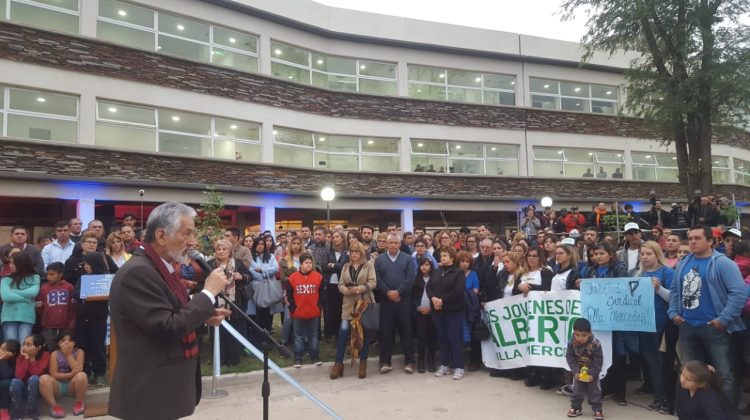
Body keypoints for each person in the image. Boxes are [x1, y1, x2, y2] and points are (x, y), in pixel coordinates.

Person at [108, 202, 231, 420]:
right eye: (187, 233)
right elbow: (165, 327)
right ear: (161, 236)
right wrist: (208, 293)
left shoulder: (161, 266)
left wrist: (204, 316)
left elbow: (171, 311)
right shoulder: (137, 272)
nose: (193, 242)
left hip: (163, 388)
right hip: (149, 391)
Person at [668, 225, 746, 407]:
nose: (693, 241)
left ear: (710, 241)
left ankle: (726, 413)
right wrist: (673, 313)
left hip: (715, 328)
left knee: (724, 375)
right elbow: (674, 291)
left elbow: (738, 293)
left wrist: (724, 319)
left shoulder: (724, 263)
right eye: (690, 238)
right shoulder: (684, 262)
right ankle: (694, 412)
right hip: (687, 327)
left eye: (697, 238)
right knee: (689, 375)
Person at [585, 242, 630, 406]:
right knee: (600, 353)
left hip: (615, 317)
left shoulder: (619, 268)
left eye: (601, 253)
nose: (597, 257)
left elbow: (621, 286)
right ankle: (605, 387)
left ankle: (620, 392)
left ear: (610, 254)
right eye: (595, 254)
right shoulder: (591, 270)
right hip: (597, 319)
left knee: (618, 353)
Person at [636, 241, 674, 413]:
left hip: (661, 324)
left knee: (661, 362)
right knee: (650, 361)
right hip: (644, 324)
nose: (644, 257)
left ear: (657, 254)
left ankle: (665, 397)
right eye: (642, 254)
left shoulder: (667, 272)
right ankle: (658, 395)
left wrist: (659, 288)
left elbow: (673, 298)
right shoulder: (638, 274)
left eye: (648, 254)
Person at [331, 241, 376, 379]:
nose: (354, 254)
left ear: (362, 253)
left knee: (364, 334)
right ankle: (338, 363)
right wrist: (346, 290)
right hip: (349, 304)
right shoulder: (345, 266)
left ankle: (363, 362)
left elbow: (373, 282)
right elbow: (340, 284)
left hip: (364, 302)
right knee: (344, 331)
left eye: (357, 252)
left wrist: (360, 288)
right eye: (352, 252)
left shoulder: (369, 265)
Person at [73, 252, 117, 386]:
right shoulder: (83, 278)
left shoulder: (105, 279)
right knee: (83, 346)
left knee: (98, 346)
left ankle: (100, 373)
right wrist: (85, 292)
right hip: (82, 318)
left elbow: (111, 293)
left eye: (87, 264)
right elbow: (75, 293)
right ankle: (85, 372)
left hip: (98, 319)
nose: (85, 266)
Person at [375, 234, 416, 374]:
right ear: (386, 244)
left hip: (403, 301)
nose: (393, 245)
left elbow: (411, 279)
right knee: (386, 332)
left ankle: (410, 361)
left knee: (406, 331)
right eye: (390, 242)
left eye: (395, 242)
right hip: (386, 302)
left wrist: (398, 292)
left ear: (399, 244)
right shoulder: (380, 260)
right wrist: (389, 293)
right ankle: (385, 361)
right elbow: (378, 279)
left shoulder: (408, 259)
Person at [206, 239, 249, 367]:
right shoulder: (209, 264)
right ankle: (219, 359)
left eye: (224, 249)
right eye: (218, 249)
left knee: (233, 331)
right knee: (217, 331)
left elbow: (249, 275)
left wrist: (241, 277)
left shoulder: (238, 263)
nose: (221, 251)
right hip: (215, 303)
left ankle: (233, 359)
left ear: (230, 251)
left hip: (234, 303)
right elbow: (203, 280)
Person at [428, 247, 466, 380]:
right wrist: (433, 298)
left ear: (452, 258)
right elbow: (429, 287)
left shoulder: (458, 273)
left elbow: (458, 290)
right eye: (441, 256)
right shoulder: (436, 272)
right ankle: (444, 364)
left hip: (453, 310)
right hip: (437, 311)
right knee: (442, 338)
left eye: (445, 255)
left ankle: (459, 366)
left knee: (454, 338)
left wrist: (442, 300)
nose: (442, 258)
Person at [286, 255, 323, 368]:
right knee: (298, 336)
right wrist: (293, 308)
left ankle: (315, 356)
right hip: (298, 313)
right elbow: (289, 295)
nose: (309, 265)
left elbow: (322, 294)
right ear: (301, 264)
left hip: (313, 312)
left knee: (313, 334)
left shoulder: (318, 277)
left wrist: (319, 307)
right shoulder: (292, 278)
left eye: (310, 263)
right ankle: (298, 357)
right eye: (306, 263)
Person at [39, 333, 88, 419]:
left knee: (82, 375)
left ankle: (79, 403)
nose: (66, 343)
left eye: (69, 341)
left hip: (72, 385)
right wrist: (70, 374)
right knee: (44, 379)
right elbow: (54, 374)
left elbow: (78, 370)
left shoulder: (79, 352)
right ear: (59, 343)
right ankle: (54, 407)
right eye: (63, 341)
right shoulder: (55, 354)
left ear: (74, 343)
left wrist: (68, 355)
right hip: (58, 385)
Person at [566, 318, 604, 420]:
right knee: (577, 390)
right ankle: (576, 408)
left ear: (590, 333)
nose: (580, 338)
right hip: (579, 370)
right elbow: (570, 358)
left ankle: (597, 409)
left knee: (594, 391)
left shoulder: (596, 344)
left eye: (584, 335)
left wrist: (593, 374)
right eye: (577, 335)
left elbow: (598, 360)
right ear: (574, 332)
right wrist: (575, 372)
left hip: (591, 372)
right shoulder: (571, 342)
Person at [676, 361, 740, 420]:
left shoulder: (709, 397)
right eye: (682, 375)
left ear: (701, 384)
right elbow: (680, 411)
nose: (683, 380)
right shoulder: (682, 386)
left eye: (688, 380)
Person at [1, 252, 41, 342]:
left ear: (22, 264)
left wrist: (13, 291)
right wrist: (26, 298)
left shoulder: (34, 277)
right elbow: (6, 297)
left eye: (13, 263)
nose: (10, 265)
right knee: (11, 347)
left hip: (27, 317)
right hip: (9, 317)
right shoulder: (6, 279)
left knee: (24, 346)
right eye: (10, 263)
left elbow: (33, 292)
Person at [36, 263, 75, 353]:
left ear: (61, 275)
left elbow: (73, 307)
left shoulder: (69, 287)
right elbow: (40, 306)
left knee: (66, 350)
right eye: (48, 274)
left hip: (66, 326)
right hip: (49, 326)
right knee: (50, 350)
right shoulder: (44, 288)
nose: (49, 277)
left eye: (52, 274)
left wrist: (71, 324)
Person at [10, 334, 49, 420]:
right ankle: (18, 411)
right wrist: (26, 358)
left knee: (34, 379)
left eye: (28, 344)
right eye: (24, 344)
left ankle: (32, 410)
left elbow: (37, 374)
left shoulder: (45, 355)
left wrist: (32, 358)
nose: (24, 347)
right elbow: (18, 376)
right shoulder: (21, 356)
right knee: (15, 381)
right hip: (22, 388)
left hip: (37, 388)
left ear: (38, 347)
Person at [412, 257, 437, 374]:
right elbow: (412, 296)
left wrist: (432, 308)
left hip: (432, 312)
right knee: (421, 338)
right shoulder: (416, 279)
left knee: (432, 337)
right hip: (420, 313)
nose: (424, 267)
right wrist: (418, 307)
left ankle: (431, 360)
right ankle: (421, 362)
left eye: (427, 265)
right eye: (422, 265)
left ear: (431, 267)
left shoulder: (435, 279)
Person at [0, 339, 20, 420]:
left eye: (3, 349)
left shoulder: (15, 361)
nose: (0, 350)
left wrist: (3, 360)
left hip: (6, 390)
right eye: (1, 348)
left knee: (5, 382)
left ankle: (3, 410)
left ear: (12, 354)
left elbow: (6, 375)